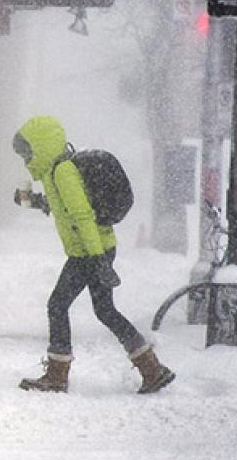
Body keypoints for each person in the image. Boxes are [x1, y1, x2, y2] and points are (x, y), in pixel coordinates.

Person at [11, 114, 175, 394]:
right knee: (106, 311)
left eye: (28, 153)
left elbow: (83, 216)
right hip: (93, 250)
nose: (26, 160)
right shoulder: (55, 172)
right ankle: (151, 368)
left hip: (89, 252)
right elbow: (63, 206)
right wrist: (34, 201)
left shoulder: (62, 172)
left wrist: (99, 261)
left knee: (57, 305)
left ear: (41, 147)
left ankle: (57, 375)